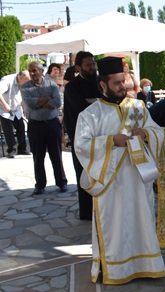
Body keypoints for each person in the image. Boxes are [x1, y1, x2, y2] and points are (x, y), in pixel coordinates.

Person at [74, 56, 165, 284]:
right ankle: (115, 269)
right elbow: (81, 145)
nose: (122, 87)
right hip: (111, 183)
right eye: (116, 83)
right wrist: (111, 141)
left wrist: (146, 134)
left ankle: (145, 265)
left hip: (137, 178)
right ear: (102, 85)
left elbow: (158, 131)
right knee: (114, 223)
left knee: (140, 220)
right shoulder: (90, 115)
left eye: (123, 81)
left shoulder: (138, 107)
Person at [63, 51, 102, 220]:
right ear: (78, 67)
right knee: (84, 173)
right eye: (88, 65)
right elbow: (82, 109)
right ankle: (87, 212)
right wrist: (98, 102)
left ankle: (101, 209)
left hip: (101, 136)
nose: (92, 67)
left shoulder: (101, 83)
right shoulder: (72, 87)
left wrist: (94, 101)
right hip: (81, 137)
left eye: (93, 64)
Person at [21, 62, 68, 195]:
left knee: (56, 155)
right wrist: (47, 100)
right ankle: (40, 185)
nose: (32, 73)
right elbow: (30, 104)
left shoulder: (51, 84)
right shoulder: (25, 87)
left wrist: (39, 101)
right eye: (30, 71)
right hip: (35, 125)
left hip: (52, 123)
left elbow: (57, 103)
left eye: (34, 71)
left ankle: (62, 182)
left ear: (41, 71)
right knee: (38, 156)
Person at [0, 71, 30, 158]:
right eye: (26, 81)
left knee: (21, 127)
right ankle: (11, 150)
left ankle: (22, 149)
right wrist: (5, 105)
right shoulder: (8, 80)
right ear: (20, 77)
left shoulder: (22, 82)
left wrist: (24, 108)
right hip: (4, 109)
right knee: (8, 129)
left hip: (15, 107)